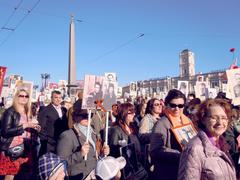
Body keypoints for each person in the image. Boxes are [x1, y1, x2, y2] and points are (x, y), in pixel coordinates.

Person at [178, 99, 236, 180]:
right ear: (203, 119)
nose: (220, 122)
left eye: (223, 118)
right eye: (214, 118)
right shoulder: (194, 149)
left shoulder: (222, 145)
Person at [150, 89, 192, 180]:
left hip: (185, 170)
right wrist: (180, 154)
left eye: (180, 106)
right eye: (173, 105)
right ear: (167, 105)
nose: (177, 108)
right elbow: (155, 150)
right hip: (169, 172)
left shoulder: (187, 120)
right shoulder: (162, 123)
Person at [57, 108, 110, 180]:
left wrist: (103, 153)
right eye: (83, 115)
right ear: (76, 117)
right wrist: (80, 154)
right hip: (79, 176)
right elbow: (61, 163)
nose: (87, 118)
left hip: (94, 173)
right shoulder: (67, 135)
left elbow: (94, 156)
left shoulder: (93, 133)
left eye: (90, 115)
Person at [0, 89, 41, 180]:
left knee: (26, 172)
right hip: (13, 148)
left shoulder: (27, 111)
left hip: (27, 146)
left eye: (26, 96)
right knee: (11, 174)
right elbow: (5, 131)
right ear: (16, 97)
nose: (24, 98)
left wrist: (35, 128)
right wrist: (24, 125)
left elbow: (28, 128)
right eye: (21, 96)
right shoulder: (10, 111)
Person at [38, 90, 68, 155]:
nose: (58, 99)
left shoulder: (64, 110)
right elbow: (41, 127)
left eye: (60, 98)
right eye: (56, 97)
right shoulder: (45, 110)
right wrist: (46, 140)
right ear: (51, 98)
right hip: (49, 144)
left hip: (62, 142)